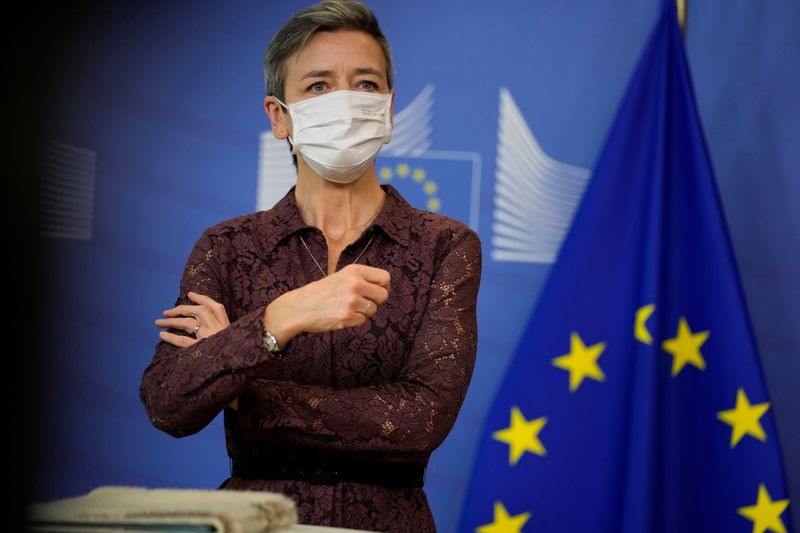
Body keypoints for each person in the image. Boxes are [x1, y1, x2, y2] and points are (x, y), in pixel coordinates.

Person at [139, 1, 481, 531]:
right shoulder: (227, 246)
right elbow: (168, 403)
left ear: (389, 110)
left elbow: (419, 420)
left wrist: (239, 385)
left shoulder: (444, 246)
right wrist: (278, 320)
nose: (344, 101)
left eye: (365, 84)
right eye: (318, 86)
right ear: (279, 117)